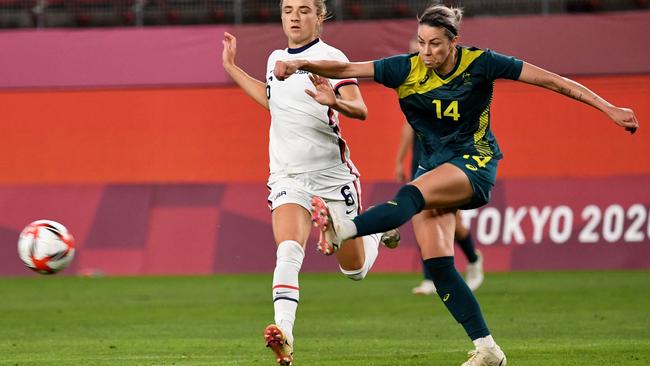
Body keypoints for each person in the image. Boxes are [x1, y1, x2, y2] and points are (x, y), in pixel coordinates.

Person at [274, 4, 639, 365]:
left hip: (473, 163)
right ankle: (488, 349)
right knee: (439, 265)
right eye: (421, 42)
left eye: (434, 44)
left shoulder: (482, 63)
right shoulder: (406, 68)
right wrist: (299, 63)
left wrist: (609, 108)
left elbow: (554, 81)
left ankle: (344, 230)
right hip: (433, 166)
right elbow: (347, 69)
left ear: (453, 42)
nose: (426, 52)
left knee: (411, 195)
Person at [221, 1, 398, 365]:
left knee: (355, 271)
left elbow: (360, 109)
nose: (295, 17)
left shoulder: (332, 58)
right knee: (287, 250)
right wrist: (232, 68)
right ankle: (284, 333)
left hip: (332, 177)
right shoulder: (274, 60)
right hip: (287, 175)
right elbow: (272, 103)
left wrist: (334, 99)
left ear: (320, 16)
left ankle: (378, 229)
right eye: (288, 9)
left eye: (304, 10)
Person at [396, 121, 483, 295]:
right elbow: (408, 126)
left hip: (447, 164)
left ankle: (473, 259)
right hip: (421, 165)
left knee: (454, 224)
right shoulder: (418, 98)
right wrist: (399, 161)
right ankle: (430, 278)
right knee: (422, 216)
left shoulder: (450, 103)